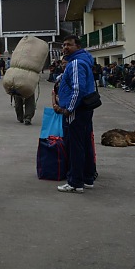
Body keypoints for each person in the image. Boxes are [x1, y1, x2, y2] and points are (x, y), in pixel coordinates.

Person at [53, 35, 97, 193]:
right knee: (84, 144)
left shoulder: (76, 63)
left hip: (77, 111)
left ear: (77, 46)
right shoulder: (81, 60)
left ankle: (75, 182)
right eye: (64, 45)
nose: (65, 47)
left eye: (69, 45)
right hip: (84, 110)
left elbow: (78, 89)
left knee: (75, 147)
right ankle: (87, 178)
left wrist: (68, 109)